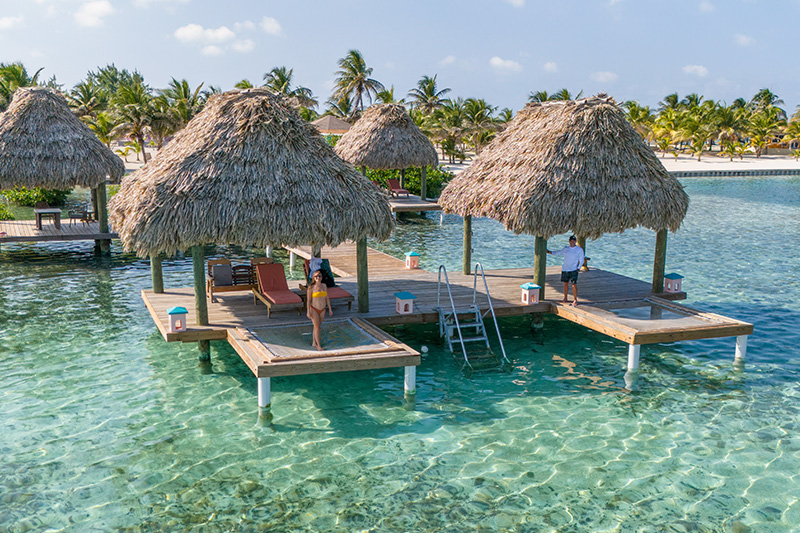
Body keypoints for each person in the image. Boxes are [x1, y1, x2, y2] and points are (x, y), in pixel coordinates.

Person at [547, 235, 585, 306]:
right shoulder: (566, 249)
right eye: (571, 241)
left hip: (574, 269)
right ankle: (565, 298)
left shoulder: (579, 249)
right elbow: (558, 253)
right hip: (565, 269)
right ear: (569, 241)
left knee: (573, 285)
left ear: (576, 241)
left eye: (573, 241)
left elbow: (581, 260)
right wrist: (549, 252)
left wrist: (578, 268)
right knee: (565, 284)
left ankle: (575, 300)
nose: (572, 242)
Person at [306, 269, 332, 350]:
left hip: (323, 309)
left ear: (321, 277)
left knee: (317, 326)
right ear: (313, 278)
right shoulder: (311, 288)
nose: (318, 277)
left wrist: (330, 309)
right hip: (314, 309)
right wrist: (308, 311)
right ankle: (319, 345)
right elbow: (308, 301)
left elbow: (327, 298)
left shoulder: (324, 286)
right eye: (316, 276)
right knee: (317, 327)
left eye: (319, 276)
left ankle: (314, 342)